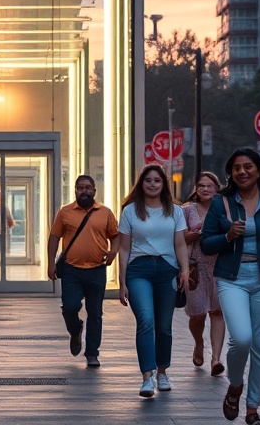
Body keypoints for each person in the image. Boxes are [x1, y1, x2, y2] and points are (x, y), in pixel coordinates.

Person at [202, 147, 260, 425]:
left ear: (258, 170)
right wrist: (227, 235)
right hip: (232, 278)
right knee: (242, 339)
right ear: (231, 173)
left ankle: (252, 409)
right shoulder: (221, 203)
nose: (242, 171)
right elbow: (205, 243)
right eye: (236, 168)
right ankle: (235, 385)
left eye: (247, 166)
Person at [118, 165, 190, 397]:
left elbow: (180, 244)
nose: (152, 184)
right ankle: (147, 377)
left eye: (157, 180)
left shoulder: (175, 211)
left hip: (167, 270)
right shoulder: (130, 211)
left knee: (164, 326)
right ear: (141, 183)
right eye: (148, 180)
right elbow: (124, 249)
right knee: (146, 319)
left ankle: (162, 372)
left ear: (163, 184)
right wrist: (122, 282)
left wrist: (185, 270)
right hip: (138, 270)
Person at [47, 175, 120, 368]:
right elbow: (54, 237)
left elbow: (115, 236)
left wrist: (113, 253)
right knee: (70, 307)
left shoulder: (105, 212)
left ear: (94, 191)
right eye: (80, 187)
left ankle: (92, 353)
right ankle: (76, 329)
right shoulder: (65, 212)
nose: (84, 191)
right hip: (71, 270)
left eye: (88, 187)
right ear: (75, 190)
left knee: (95, 312)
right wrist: (50, 263)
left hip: (96, 270)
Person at [182, 171, 226, 377]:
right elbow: (180, 239)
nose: (205, 189)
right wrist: (198, 232)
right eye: (201, 185)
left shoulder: (224, 208)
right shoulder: (187, 210)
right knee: (197, 313)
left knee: (218, 311)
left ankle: (216, 358)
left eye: (210, 185)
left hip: (219, 265)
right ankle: (198, 342)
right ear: (196, 189)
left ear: (217, 188)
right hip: (195, 266)